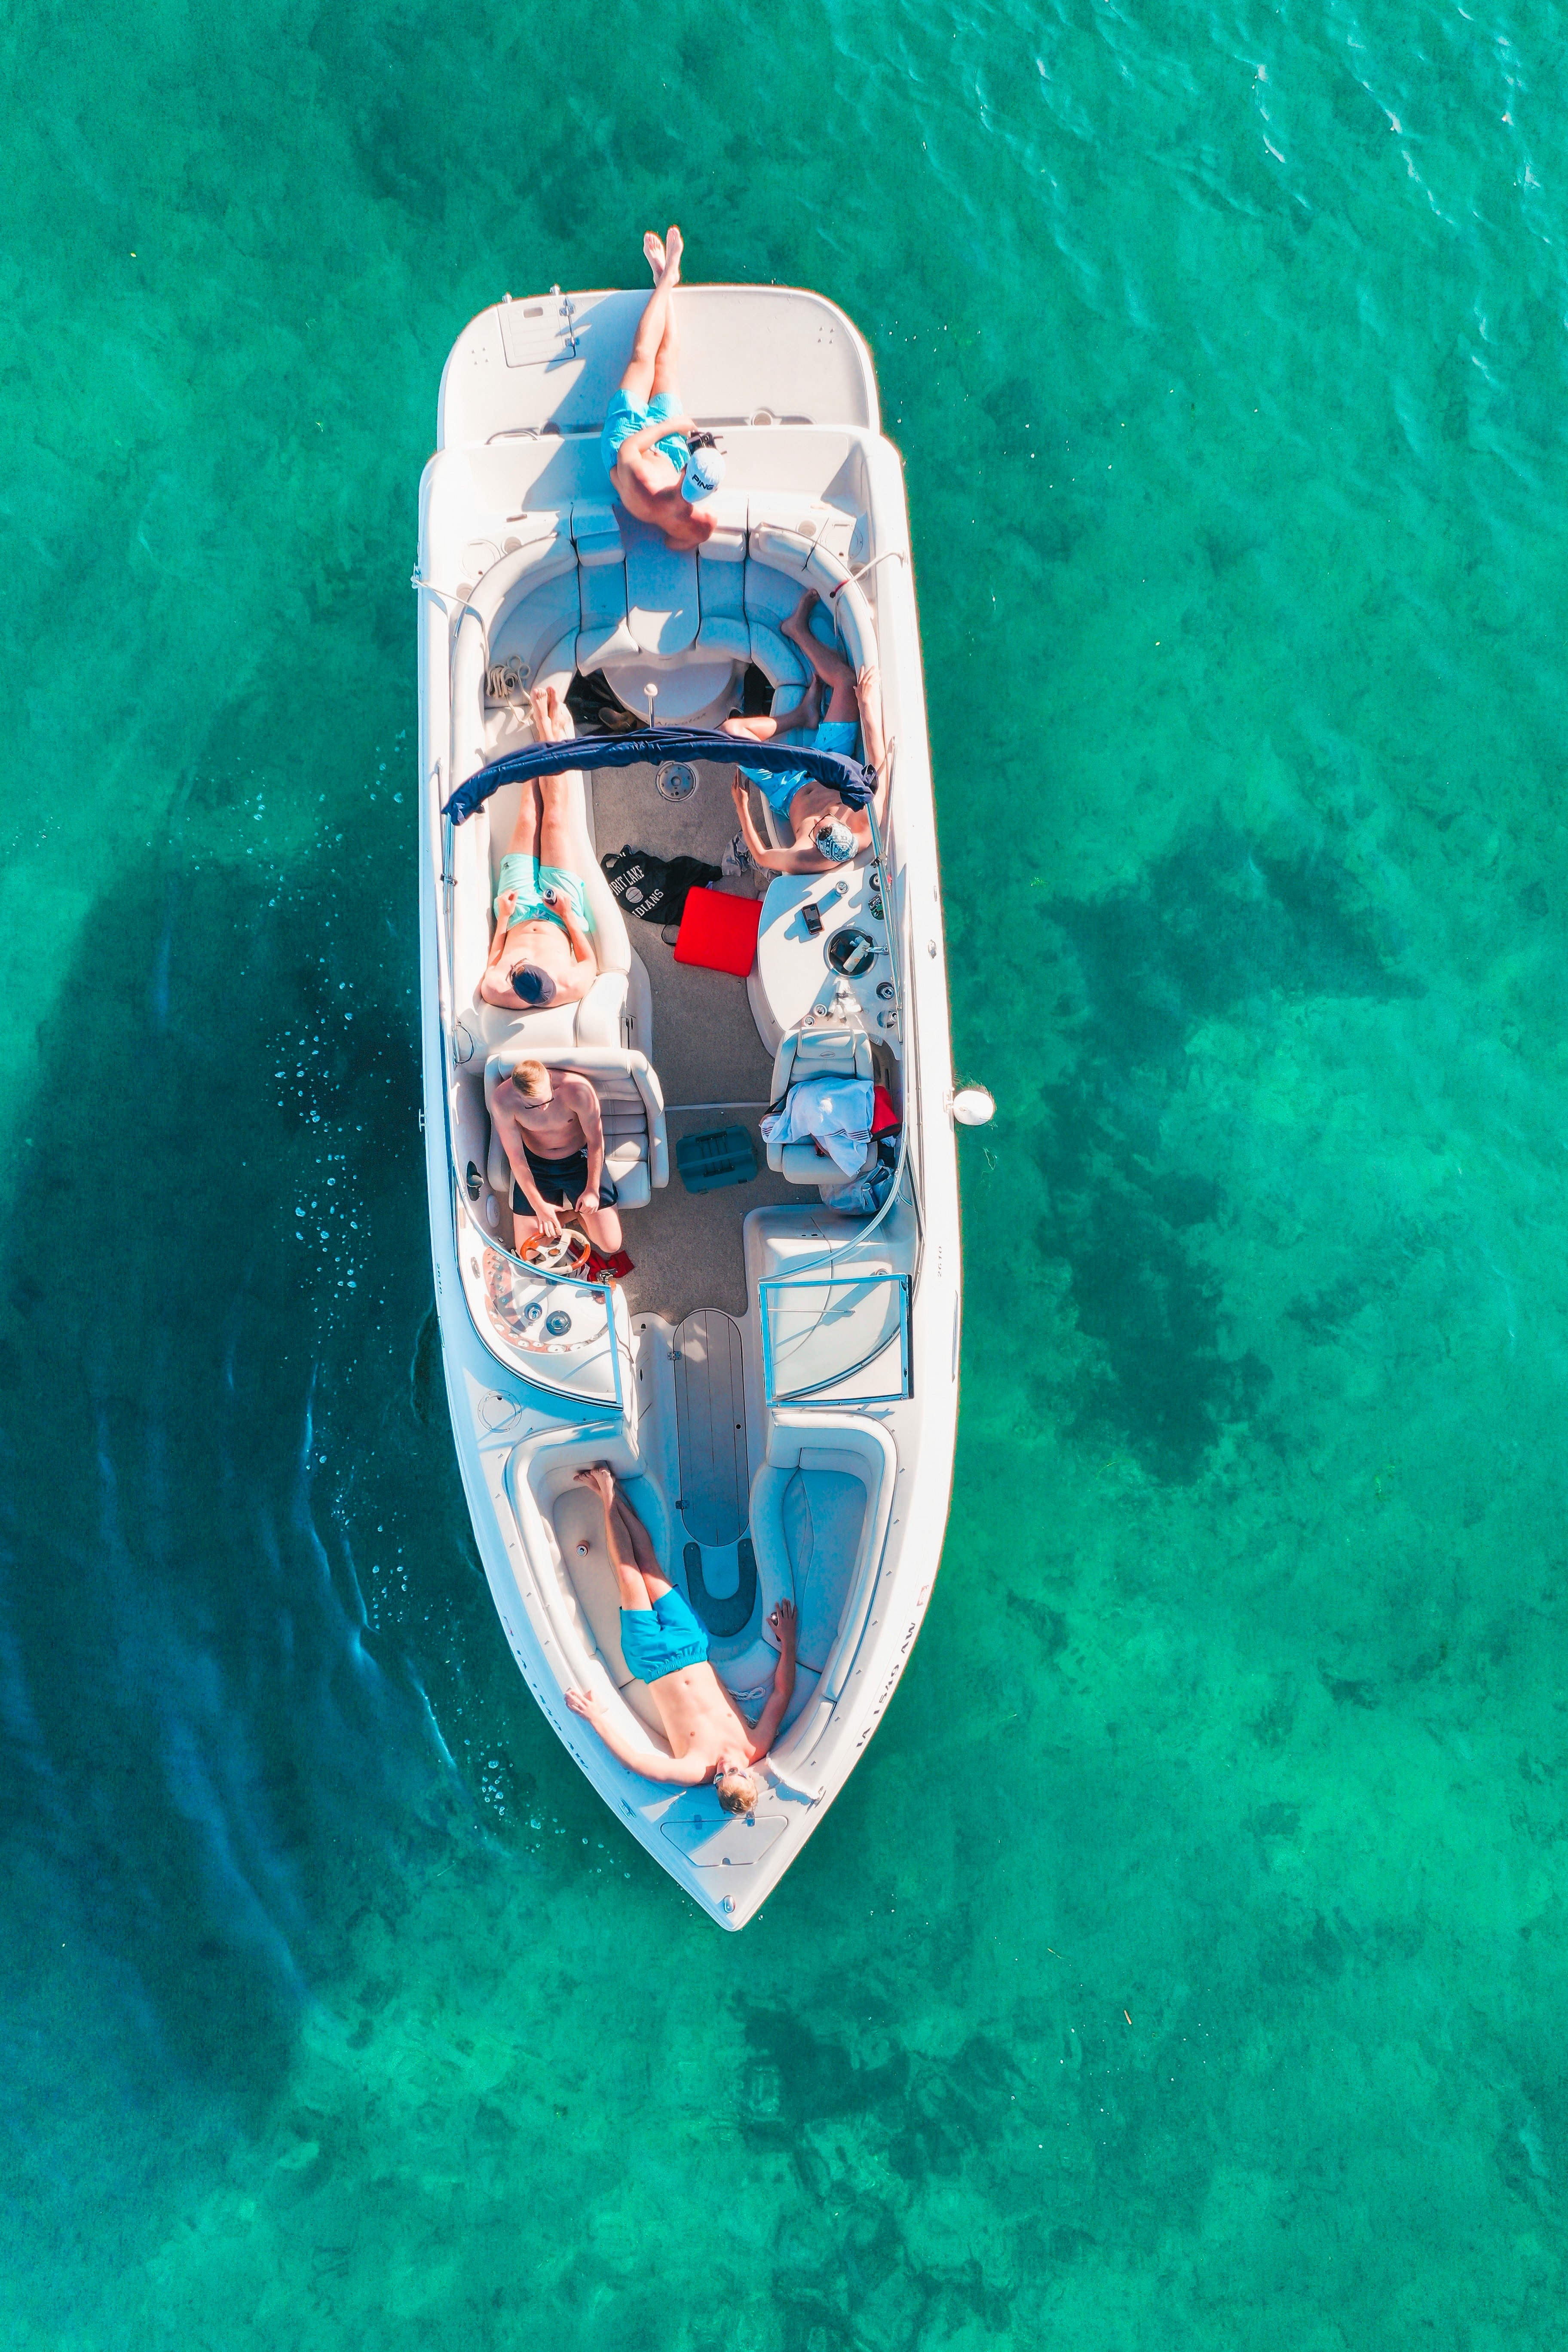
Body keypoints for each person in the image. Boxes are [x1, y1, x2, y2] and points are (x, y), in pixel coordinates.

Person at [564, 1466, 797, 1811]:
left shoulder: (694, 1771)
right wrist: (788, 1641)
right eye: (732, 1771)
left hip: (653, 1660)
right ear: (748, 1775)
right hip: (690, 1646)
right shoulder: (755, 1745)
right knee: (649, 1566)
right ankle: (608, 1494)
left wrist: (596, 1718)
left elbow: (634, 1761)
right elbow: (782, 1692)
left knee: (628, 1574)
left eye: (720, 1779)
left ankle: (608, 1494)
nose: (722, 1769)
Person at [723, 590, 889, 874]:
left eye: (815, 827)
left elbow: (762, 856)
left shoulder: (807, 858)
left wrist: (742, 806)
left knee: (729, 732)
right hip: (829, 763)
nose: (819, 818)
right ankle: (798, 631)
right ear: (843, 825)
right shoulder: (868, 817)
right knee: (847, 681)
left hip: (786, 789)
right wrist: (867, 706)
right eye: (829, 818)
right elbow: (879, 761)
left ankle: (801, 715)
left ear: (813, 841)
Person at [600, 227, 724, 551]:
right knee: (667, 364)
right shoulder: (703, 524)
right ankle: (662, 280)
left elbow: (629, 448)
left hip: (627, 445)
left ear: (687, 470)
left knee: (644, 359)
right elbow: (674, 545)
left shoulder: (644, 485)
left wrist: (675, 427)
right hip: (669, 453)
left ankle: (668, 279)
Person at [480, 685, 600, 1013]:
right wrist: (566, 915)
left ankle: (543, 739)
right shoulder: (571, 985)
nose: (517, 964)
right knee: (556, 820)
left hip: (516, 911)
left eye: (515, 967)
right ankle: (546, 731)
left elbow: (493, 962)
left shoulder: (495, 989)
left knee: (529, 816)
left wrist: (503, 918)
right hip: (559, 915)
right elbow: (589, 958)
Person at [492, 1059, 624, 1258]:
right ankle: (568, 1215)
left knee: (611, 1244)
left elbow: (596, 1141)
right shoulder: (502, 1100)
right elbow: (517, 1158)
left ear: (550, 1078)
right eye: (533, 1106)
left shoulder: (578, 1090)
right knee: (529, 1254)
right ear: (518, 1094)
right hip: (536, 1165)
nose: (543, 1109)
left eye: (547, 1101)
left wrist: (592, 1190)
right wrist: (539, 1207)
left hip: (580, 1159)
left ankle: (573, 1214)